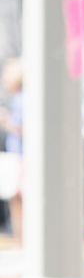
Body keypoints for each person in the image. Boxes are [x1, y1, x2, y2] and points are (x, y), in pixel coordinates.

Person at [0, 58, 23, 245]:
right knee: (16, 199)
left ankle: (21, 238)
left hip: (23, 157)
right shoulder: (19, 99)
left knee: (19, 199)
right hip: (18, 156)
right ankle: (20, 238)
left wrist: (7, 121)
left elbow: (24, 129)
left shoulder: (23, 100)